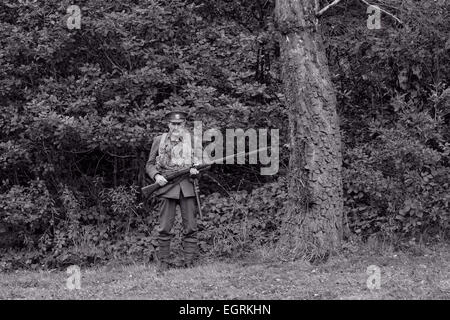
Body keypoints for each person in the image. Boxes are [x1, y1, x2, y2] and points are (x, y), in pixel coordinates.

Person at [146, 110, 200, 274]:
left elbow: (201, 163)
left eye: (180, 124)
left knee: (190, 226)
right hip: (166, 188)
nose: (176, 126)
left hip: (187, 187)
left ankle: (189, 262)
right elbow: (149, 164)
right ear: (168, 124)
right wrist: (156, 176)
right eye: (173, 124)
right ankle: (163, 263)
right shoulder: (159, 140)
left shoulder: (193, 140)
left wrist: (196, 172)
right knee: (164, 227)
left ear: (184, 124)